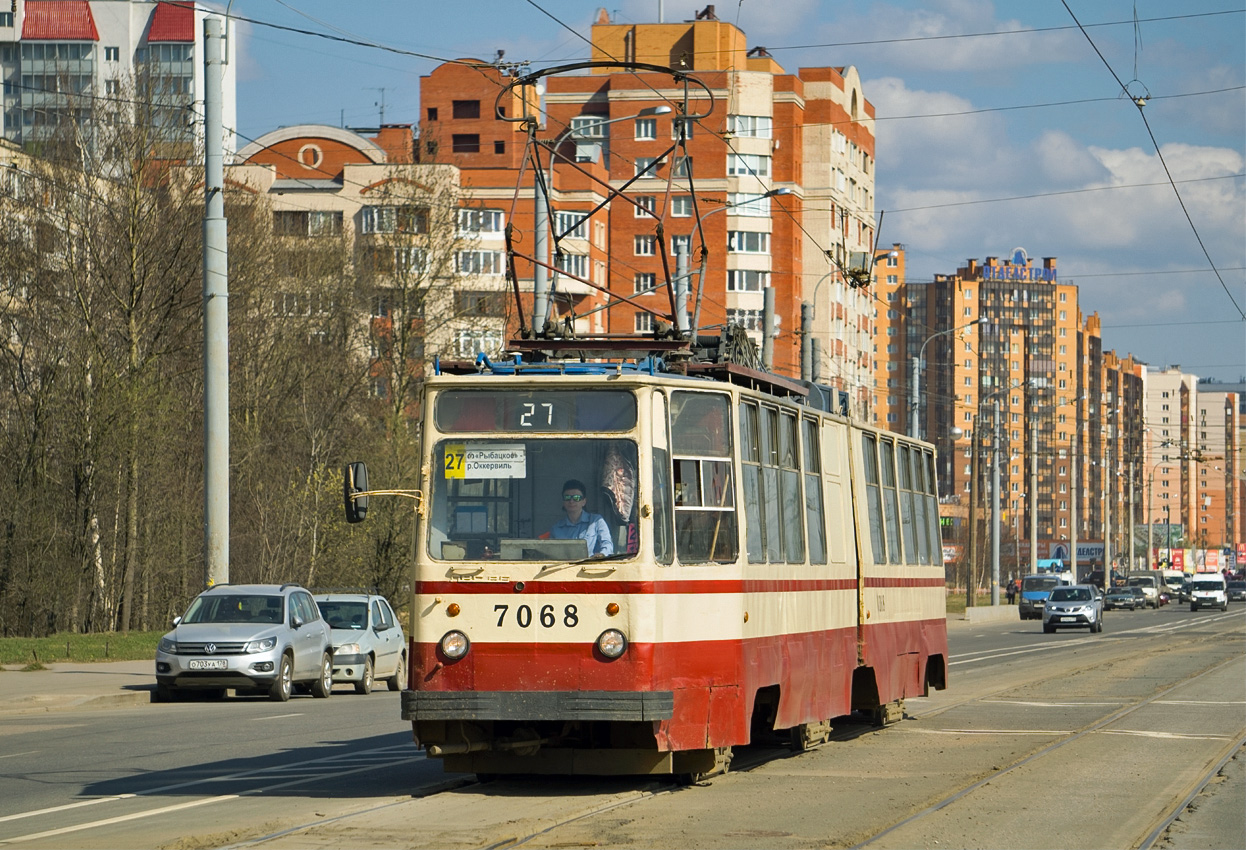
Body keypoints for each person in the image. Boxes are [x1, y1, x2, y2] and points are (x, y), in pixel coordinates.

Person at [549, 479, 613, 557]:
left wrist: (602, 555)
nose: (571, 501)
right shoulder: (556, 529)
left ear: (584, 501)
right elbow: (551, 554)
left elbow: (607, 544)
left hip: (590, 567)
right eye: (567, 497)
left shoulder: (596, 521)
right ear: (563, 501)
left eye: (576, 498)